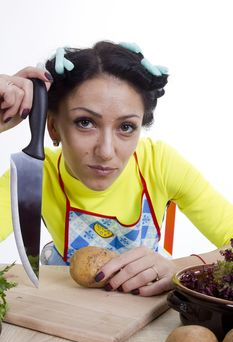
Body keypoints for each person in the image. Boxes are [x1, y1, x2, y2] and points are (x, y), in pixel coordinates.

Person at [0, 41, 233, 297]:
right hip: (66, 310)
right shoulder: (34, 176)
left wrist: (177, 267)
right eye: (85, 122)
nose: (106, 151)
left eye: (126, 127)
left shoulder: (160, 164)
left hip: (143, 312)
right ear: (53, 127)